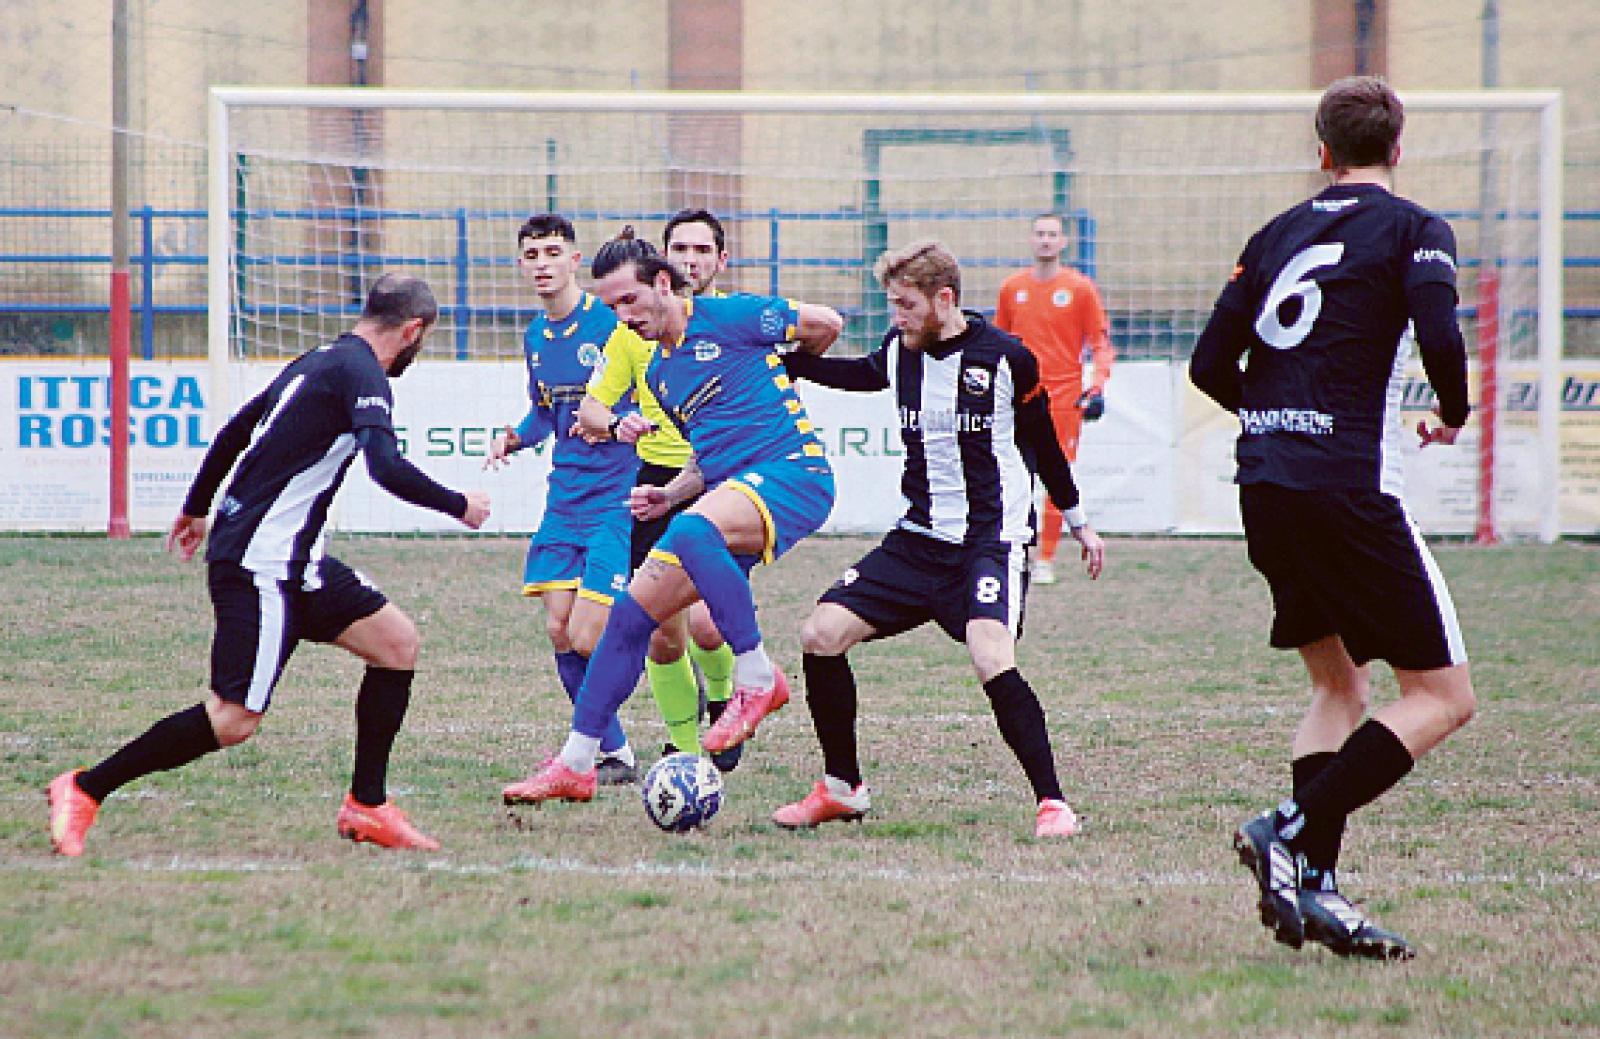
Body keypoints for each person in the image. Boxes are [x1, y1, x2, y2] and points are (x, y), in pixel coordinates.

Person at [45, 274, 491, 856]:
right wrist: (460, 505)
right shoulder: (362, 374)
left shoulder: (322, 359)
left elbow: (238, 428)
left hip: (295, 561)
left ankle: (368, 805)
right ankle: (84, 788)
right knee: (232, 720)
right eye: (421, 341)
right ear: (412, 330)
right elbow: (384, 464)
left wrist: (197, 506)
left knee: (397, 644)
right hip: (260, 564)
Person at [1189, 76, 1477, 961]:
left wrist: (1276, 423)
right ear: (1398, 148)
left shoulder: (1275, 234)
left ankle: (1313, 891)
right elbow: (1440, 335)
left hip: (1265, 482)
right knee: (1442, 696)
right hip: (1347, 485)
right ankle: (1291, 827)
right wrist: (1454, 414)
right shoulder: (1416, 229)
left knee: (1338, 687)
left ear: (1321, 151)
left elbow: (1208, 364)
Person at [775, 239, 1106, 838]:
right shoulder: (899, 352)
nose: (895, 317)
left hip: (990, 541)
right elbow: (858, 374)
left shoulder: (1007, 359)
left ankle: (1052, 802)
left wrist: (1077, 519)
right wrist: (786, 364)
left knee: (990, 655)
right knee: (820, 635)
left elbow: (1042, 443)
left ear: (944, 299)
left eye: (905, 305)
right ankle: (842, 789)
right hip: (917, 539)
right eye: (892, 305)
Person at [501, 235, 843, 805]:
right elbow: (708, 453)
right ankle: (578, 761)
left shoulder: (730, 316)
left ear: (663, 282)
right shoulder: (659, 374)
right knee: (632, 614)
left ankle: (758, 678)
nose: (624, 317)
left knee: (691, 531)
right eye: (612, 308)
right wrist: (672, 491)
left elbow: (825, 321)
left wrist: (789, 366)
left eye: (630, 301)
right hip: (729, 491)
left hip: (794, 474)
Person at [485, 213, 644, 785]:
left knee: (585, 634)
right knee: (558, 629)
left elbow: (647, 403)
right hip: (564, 498)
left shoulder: (613, 323)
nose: (542, 264)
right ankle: (614, 751)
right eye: (531, 255)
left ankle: (606, 731)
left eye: (553, 252)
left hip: (616, 499)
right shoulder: (535, 337)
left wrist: (618, 423)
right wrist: (514, 437)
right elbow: (545, 415)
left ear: (575, 260)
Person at [575, 222, 739, 772]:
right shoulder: (630, 331)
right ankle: (687, 751)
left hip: (720, 481)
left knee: (710, 626)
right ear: (661, 267)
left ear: (721, 259)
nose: (690, 260)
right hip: (659, 481)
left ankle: (722, 702)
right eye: (680, 249)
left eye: (701, 249)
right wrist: (618, 422)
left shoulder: (732, 324)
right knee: (663, 635)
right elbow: (590, 410)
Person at [995, 213, 1114, 586]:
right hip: (1017, 397)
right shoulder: (1012, 288)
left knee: (1056, 476)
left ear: (1063, 243)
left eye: (1052, 235)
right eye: (1040, 234)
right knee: (1013, 475)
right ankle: (1014, 550)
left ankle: (1045, 557)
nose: (1045, 241)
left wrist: (1097, 387)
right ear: (1031, 241)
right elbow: (998, 342)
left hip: (1063, 398)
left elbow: (1099, 343)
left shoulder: (1079, 289)